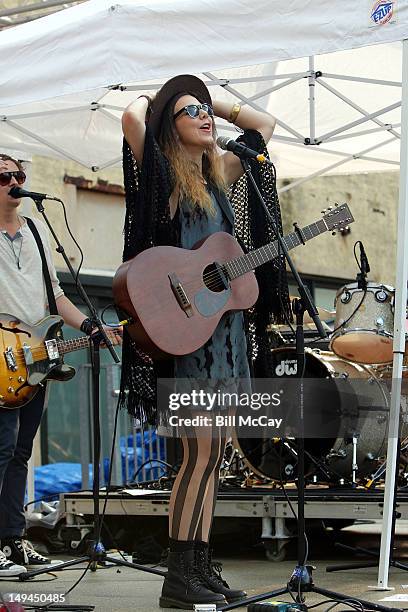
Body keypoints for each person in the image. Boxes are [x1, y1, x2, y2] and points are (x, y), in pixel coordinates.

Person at [121, 75, 290, 609]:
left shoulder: (222, 174)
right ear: (169, 125)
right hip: (190, 335)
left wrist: (213, 104)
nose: (205, 116)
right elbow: (131, 114)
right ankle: (178, 576)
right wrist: (176, 95)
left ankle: (199, 564)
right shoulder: (165, 173)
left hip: (226, 335)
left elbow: (263, 127)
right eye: (190, 111)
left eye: (206, 109)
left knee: (214, 456)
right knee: (197, 457)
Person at [0, 154, 122, 577]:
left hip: (35, 360)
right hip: (2, 355)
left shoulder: (35, 230)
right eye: (4, 176)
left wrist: (90, 325)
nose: (14, 182)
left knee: (20, 452)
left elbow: (57, 298)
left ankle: (13, 539)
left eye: (18, 175)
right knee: (0, 449)